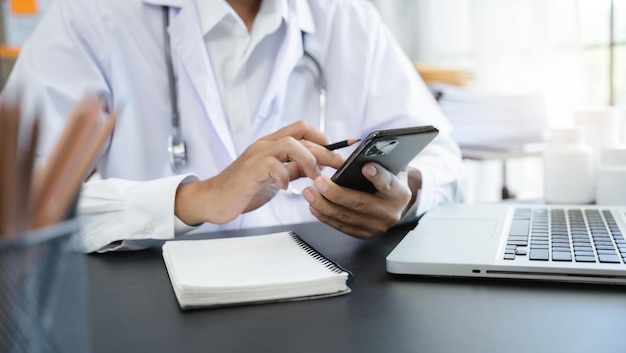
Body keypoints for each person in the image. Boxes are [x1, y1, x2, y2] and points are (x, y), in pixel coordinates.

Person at [3, 0, 465, 253]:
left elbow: (443, 160)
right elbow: (16, 200)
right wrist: (194, 199)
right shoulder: (91, 15)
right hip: (153, 309)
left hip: (329, 293)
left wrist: (403, 196)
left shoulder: (347, 17)